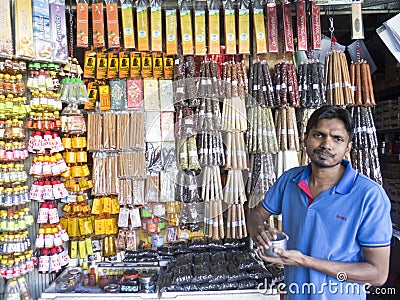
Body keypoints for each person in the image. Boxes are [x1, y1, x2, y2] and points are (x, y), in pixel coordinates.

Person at [248, 106, 392, 299]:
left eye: (337, 139)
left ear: (348, 147)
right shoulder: (289, 180)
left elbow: (377, 275)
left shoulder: (369, 196)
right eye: (318, 135)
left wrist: (306, 262)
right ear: (305, 138)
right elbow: (256, 214)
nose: (326, 144)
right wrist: (260, 231)